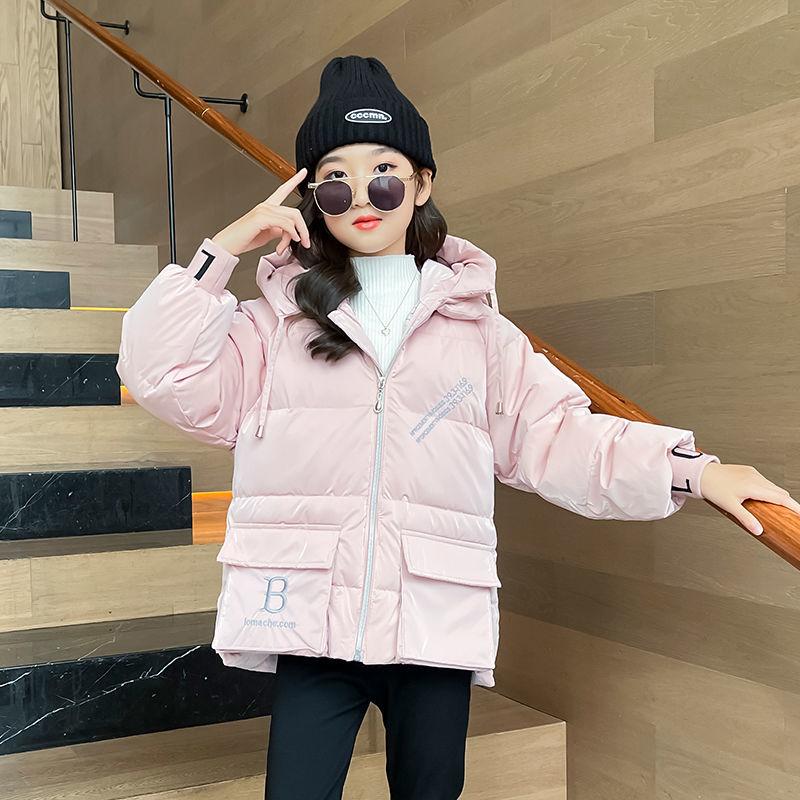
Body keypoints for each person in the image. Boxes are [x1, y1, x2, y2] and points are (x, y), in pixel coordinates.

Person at [116, 55, 800, 800]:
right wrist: (218, 253)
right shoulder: (274, 325)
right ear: (313, 199)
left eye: (384, 173)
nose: (362, 197)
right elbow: (160, 375)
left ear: (422, 183)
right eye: (336, 180)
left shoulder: (480, 334)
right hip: (313, 616)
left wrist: (693, 471)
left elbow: (559, 436)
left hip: (432, 616)